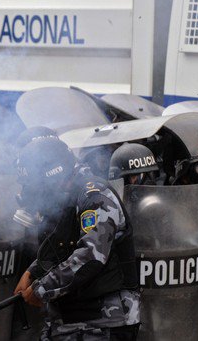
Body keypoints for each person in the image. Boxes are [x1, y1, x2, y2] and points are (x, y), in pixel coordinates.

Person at [13, 136, 140, 340]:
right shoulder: (66, 197)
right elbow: (60, 244)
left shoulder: (94, 195)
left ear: (53, 175)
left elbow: (91, 255)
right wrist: (33, 271)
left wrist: (42, 288)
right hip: (71, 318)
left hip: (103, 322)